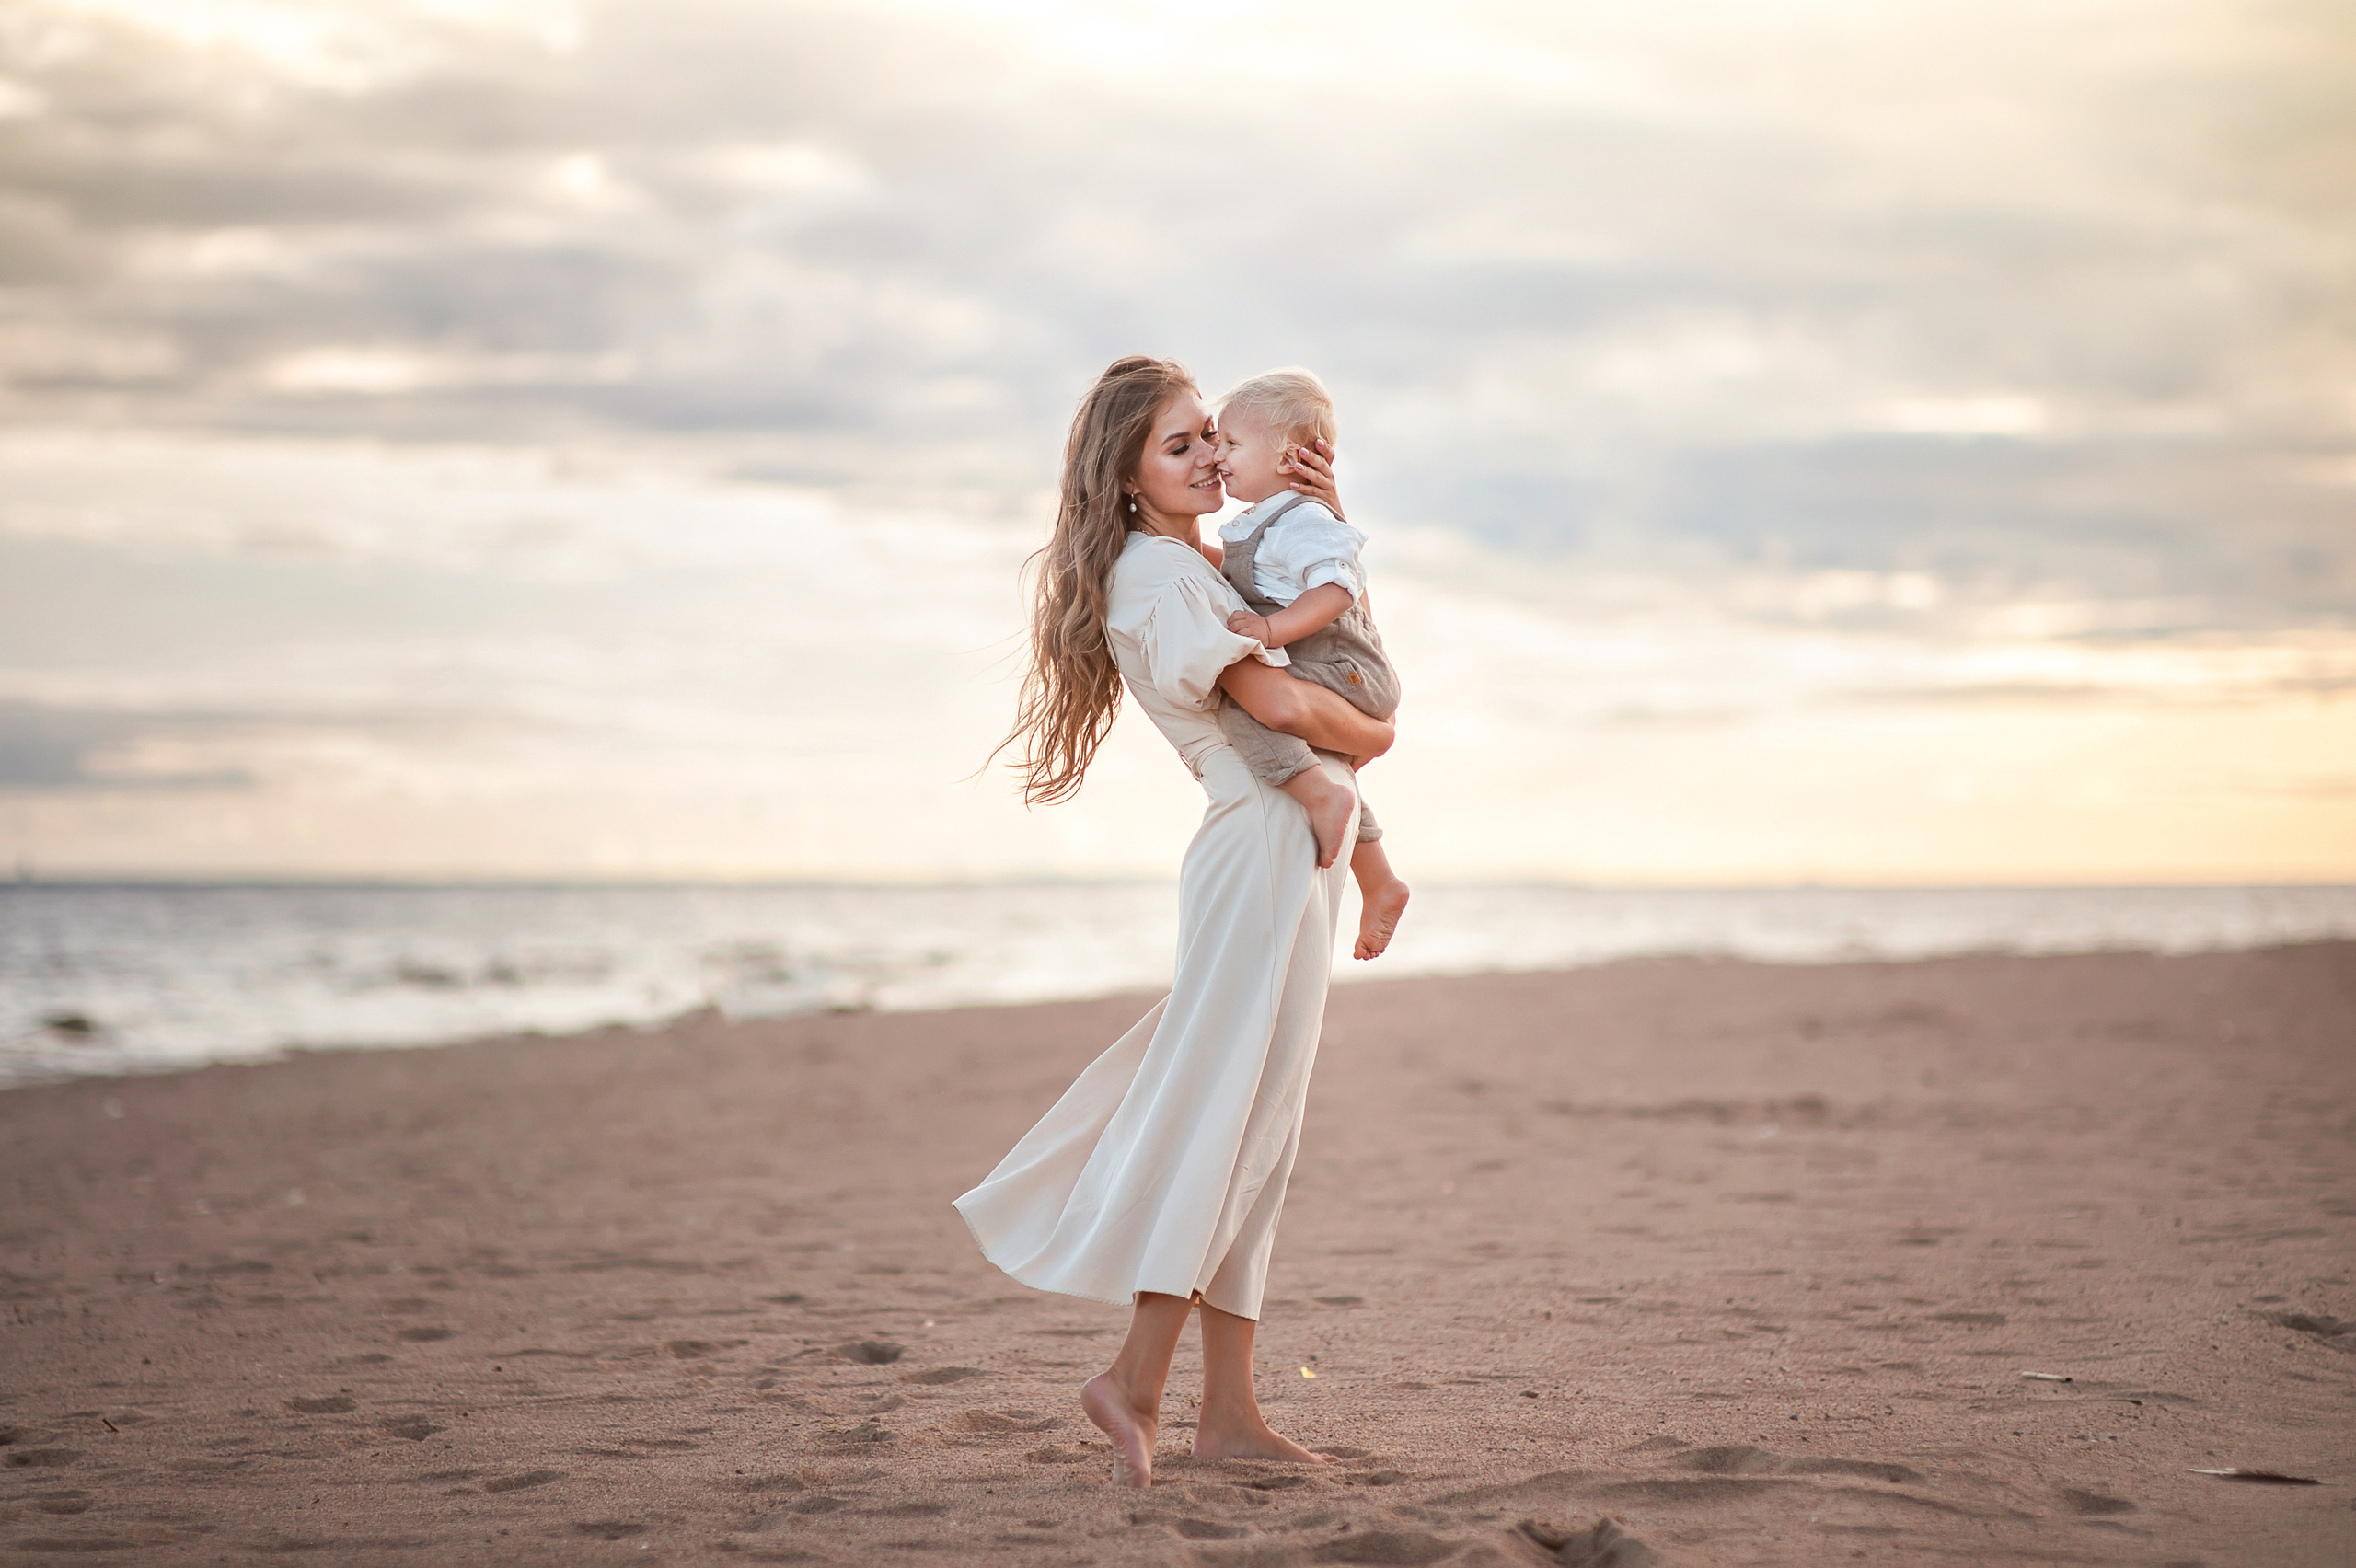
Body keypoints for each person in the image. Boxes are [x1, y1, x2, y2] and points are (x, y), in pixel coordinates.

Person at [956, 355, 1395, 1488]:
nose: (1209, 456)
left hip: (1291, 847)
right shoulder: (1157, 580)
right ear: (1126, 479)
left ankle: (1230, 1411)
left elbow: (1311, 670)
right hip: (1258, 846)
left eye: (1210, 435)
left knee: (1264, 1122)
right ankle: (1137, 1383)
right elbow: (1280, 703)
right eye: (1179, 444)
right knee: (1225, 1114)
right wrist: (1373, 739)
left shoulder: (1201, 564)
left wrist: (1318, 527)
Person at [1211, 368, 1411, 961]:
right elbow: (1257, 573)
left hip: (1345, 667)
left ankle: (1321, 799)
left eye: (1230, 444)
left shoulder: (1301, 518)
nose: (1217, 456)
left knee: (1248, 705)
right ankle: (1379, 882)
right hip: (1342, 669)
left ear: (1288, 457)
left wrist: (1272, 628)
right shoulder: (1268, 520)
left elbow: (1339, 588)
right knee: (1322, 764)